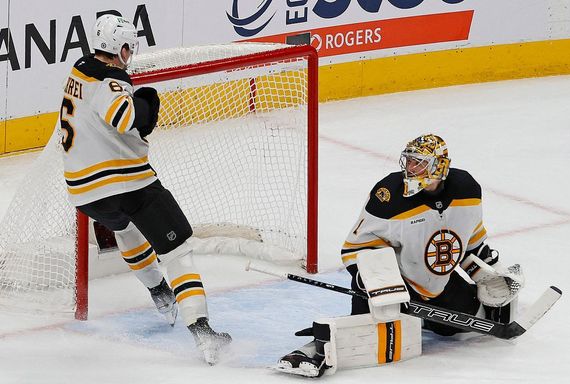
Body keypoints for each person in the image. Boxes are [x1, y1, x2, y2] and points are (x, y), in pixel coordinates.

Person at [57, 14, 230, 365]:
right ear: (120, 48)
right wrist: (146, 106)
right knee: (178, 249)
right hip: (126, 181)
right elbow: (123, 117)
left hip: (84, 193)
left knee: (126, 226)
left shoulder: (80, 69)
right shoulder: (111, 78)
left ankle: (159, 293)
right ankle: (202, 331)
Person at [277, 133, 524, 376]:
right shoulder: (389, 195)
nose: (411, 167)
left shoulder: (466, 189)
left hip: (437, 282)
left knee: (450, 329)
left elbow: (472, 240)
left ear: (440, 166)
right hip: (397, 282)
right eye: (409, 160)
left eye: (419, 162)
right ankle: (315, 349)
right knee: (369, 333)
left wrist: (491, 270)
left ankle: (419, 317)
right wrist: (382, 286)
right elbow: (355, 249)